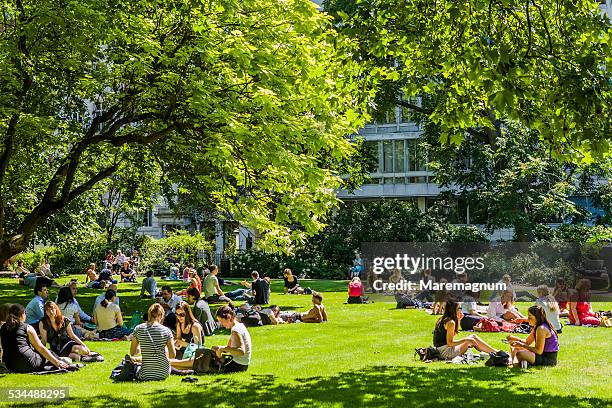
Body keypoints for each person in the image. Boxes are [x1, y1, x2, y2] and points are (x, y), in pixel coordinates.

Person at [170, 305, 251, 373]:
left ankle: (170, 363)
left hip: (237, 366)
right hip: (241, 364)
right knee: (204, 357)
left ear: (229, 318)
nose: (222, 324)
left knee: (202, 361)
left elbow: (241, 351)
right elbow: (230, 348)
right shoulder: (239, 326)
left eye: (222, 321)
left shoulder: (235, 330)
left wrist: (222, 349)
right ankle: (172, 364)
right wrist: (219, 348)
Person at [0, 304, 70, 373]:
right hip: (27, 363)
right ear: (23, 314)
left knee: (42, 355)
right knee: (49, 353)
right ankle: (61, 363)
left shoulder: (3, 328)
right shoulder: (27, 327)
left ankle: (60, 361)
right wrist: (57, 362)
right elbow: (40, 348)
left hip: (10, 365)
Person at [433, 300, 498, 360]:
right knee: (470, 341)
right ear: (454, 309)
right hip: (445, 352)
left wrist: (458, 320)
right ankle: (496, 353)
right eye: (460, 308)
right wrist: (466, 340)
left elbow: (453, 335)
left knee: (473, 336)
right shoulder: (450, 322)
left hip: (443, 349)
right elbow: (450, 343)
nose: (461, 310)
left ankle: (495, 352)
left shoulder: (444, 319)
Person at [130, 303, 176, 381]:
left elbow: (132, 352)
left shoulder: (138, 328)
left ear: (149, 315)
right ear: (161, 316)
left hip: (145, 374)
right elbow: (173, 355)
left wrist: (139, 348)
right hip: (163, 372)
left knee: (134, 367)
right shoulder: (167, 331)